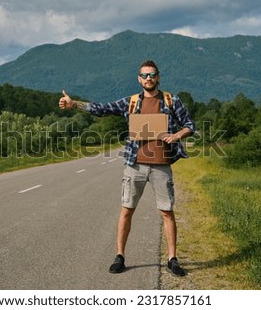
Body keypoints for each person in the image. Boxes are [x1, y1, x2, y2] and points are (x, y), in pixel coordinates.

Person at [59, 60, 195, 276]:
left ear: (158, 77)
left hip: (162, 166)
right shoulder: (131, 102)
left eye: (152, 75)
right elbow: (102, 109)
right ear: (138, 79)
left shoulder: (171, 101)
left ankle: (172, 259)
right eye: (144, 75)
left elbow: (190, 125)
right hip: (135, 166)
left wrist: (177, 135)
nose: (148, 79)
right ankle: (120, 256)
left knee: (167, 212)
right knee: (126, 211)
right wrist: (74, 103)